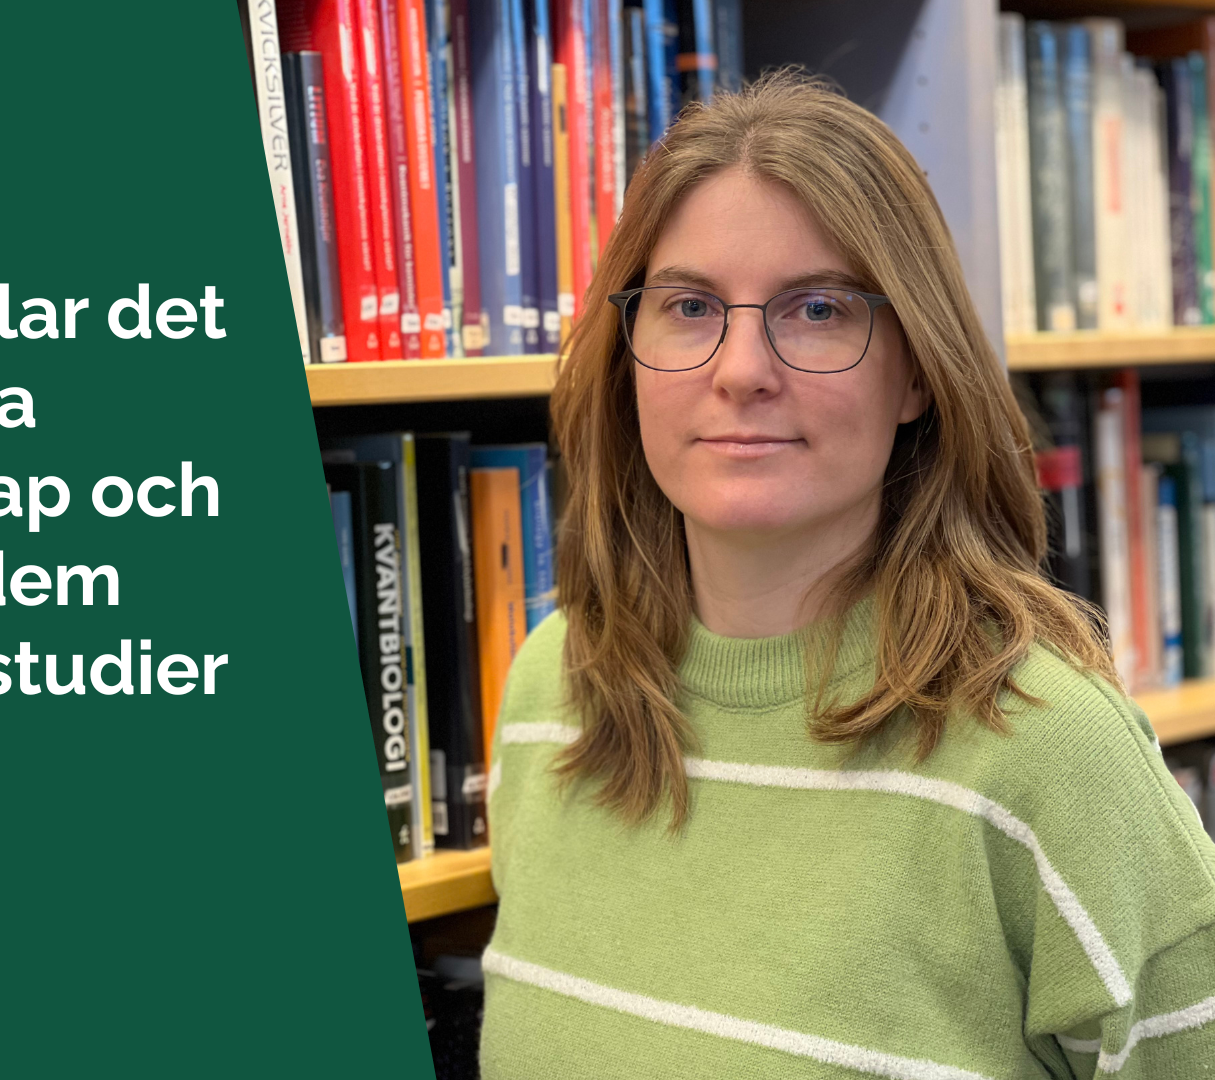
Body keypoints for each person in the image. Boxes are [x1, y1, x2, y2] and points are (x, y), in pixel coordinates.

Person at [480, 73, 1215, 1078]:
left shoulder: (1050, 751)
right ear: (629, 357)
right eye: (689, 306)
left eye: (817, 309)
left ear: (916, 370)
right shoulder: (552, 686)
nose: (742, 370)